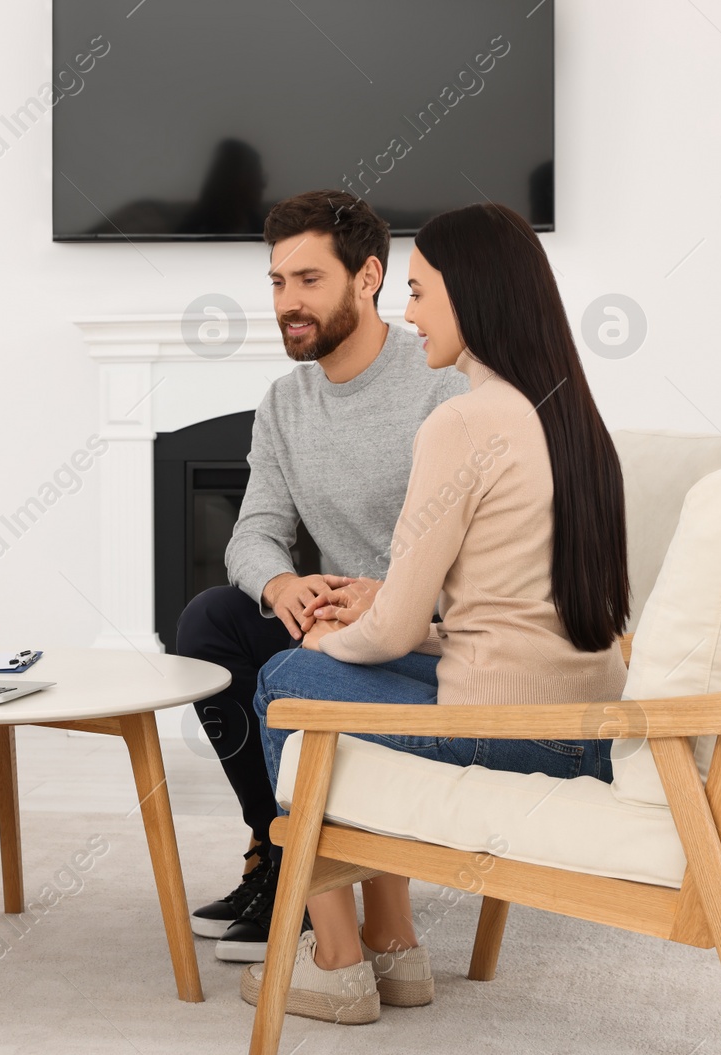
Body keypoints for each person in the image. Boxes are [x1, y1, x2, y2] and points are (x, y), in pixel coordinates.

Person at [239, 202, 630, 1023]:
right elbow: (519, 613)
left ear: (472, 295)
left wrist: (327, 629)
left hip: (512, 727)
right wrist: (373, 615)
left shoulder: (463, 417)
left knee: (287, 679)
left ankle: (342, 961)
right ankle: (394, 948)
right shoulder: (568, 413)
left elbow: (393, 631)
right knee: (324, 669)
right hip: (589, 720)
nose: (410, 315)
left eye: (420, 294)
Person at [175, 190, 465, 963]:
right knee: (209, 620)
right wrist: (282, 587)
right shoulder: (284, 402)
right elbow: (253, 534)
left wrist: (390, 599)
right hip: (333, 621)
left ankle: (314, 879)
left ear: (368, 277)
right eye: (277, 282)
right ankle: (278, 852)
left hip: (419, 633)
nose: (287, 304)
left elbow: (479, 552)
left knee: (293, 665)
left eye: (308, 280)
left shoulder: (440, 377)